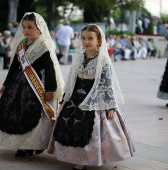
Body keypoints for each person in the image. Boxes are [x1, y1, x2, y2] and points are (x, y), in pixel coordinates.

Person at [48, 24, 135, 170]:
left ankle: (84, 159)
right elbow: (72, 79)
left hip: (94, 98)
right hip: (76, 97)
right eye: (83, 38)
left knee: (89, 129)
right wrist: (65, 98)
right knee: (69, 125)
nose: (86, 41)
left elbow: (107, 85)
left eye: (90, 38)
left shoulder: (103, 61)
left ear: (99, 41)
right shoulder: (80, 57)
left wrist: (109, 106)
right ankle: (71, 155)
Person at [0, 12, 64, 157]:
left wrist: (50, 89)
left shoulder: (44, 46)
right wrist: (6, 83)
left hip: (36, 87)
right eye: (24, 27)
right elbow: (14, 67)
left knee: (34, 114)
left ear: (39, 29)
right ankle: (22, 145)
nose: (26, 30)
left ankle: (35, 145)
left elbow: (50, 69)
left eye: (30, 27)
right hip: (18, 85)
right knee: (17, 112)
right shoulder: (21, 45)